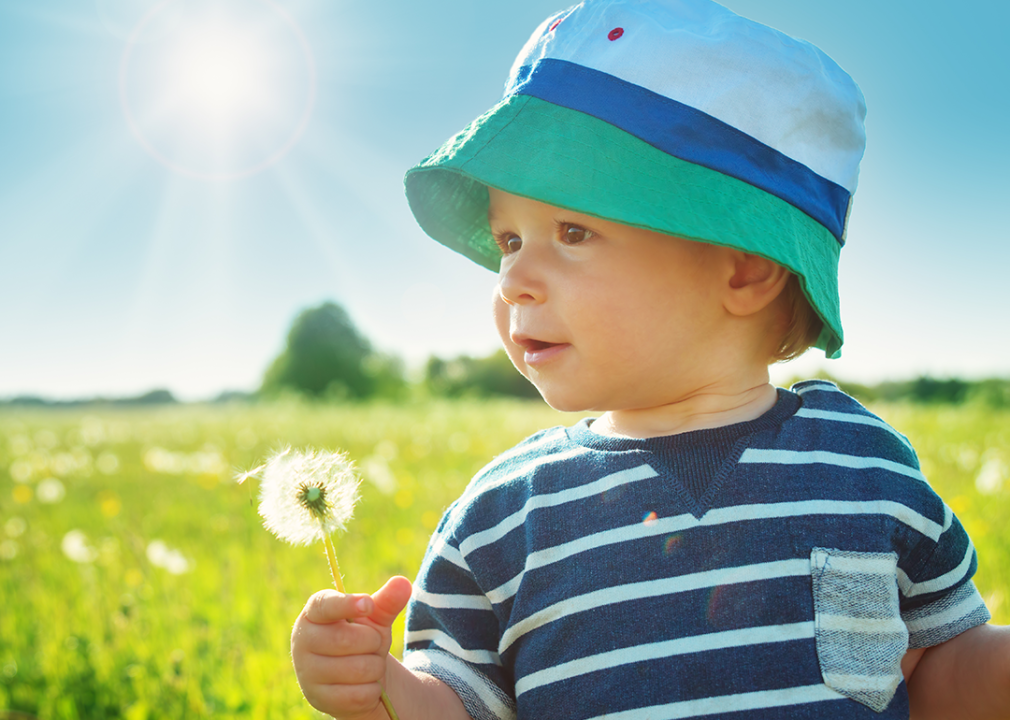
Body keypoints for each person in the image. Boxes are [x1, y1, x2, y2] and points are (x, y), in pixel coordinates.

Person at [289, 1, 1010, 718]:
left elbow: (936, 673)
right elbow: (462, 705)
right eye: (509, 241)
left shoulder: (866, 468)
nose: (511, 279)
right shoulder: (502, 518)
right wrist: (381, 686)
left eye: (572, 230)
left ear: (744, 267)